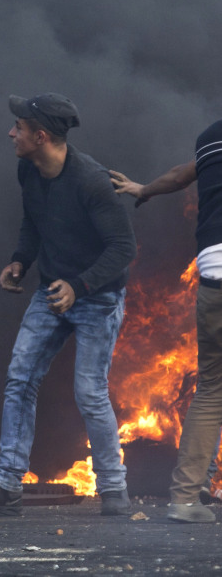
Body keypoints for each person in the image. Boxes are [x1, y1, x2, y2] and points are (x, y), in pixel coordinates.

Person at [0, 93, 136, 516]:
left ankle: (114, 492)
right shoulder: (29, 168)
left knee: (89, 392)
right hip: (53, 291)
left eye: (18, 127)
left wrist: (81, 285)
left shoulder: (91, 181)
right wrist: (20, 261)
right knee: (20, 377)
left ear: (40, 136)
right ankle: (7, 488)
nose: (10, 133)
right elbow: (33, 221)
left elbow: (124, 248)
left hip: (99, 297)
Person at [109, 119, 222, 522]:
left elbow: (180, 174)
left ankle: (185, 499)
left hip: (212, 272)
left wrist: (144, 189)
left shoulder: (212, 136)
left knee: (212, 390)